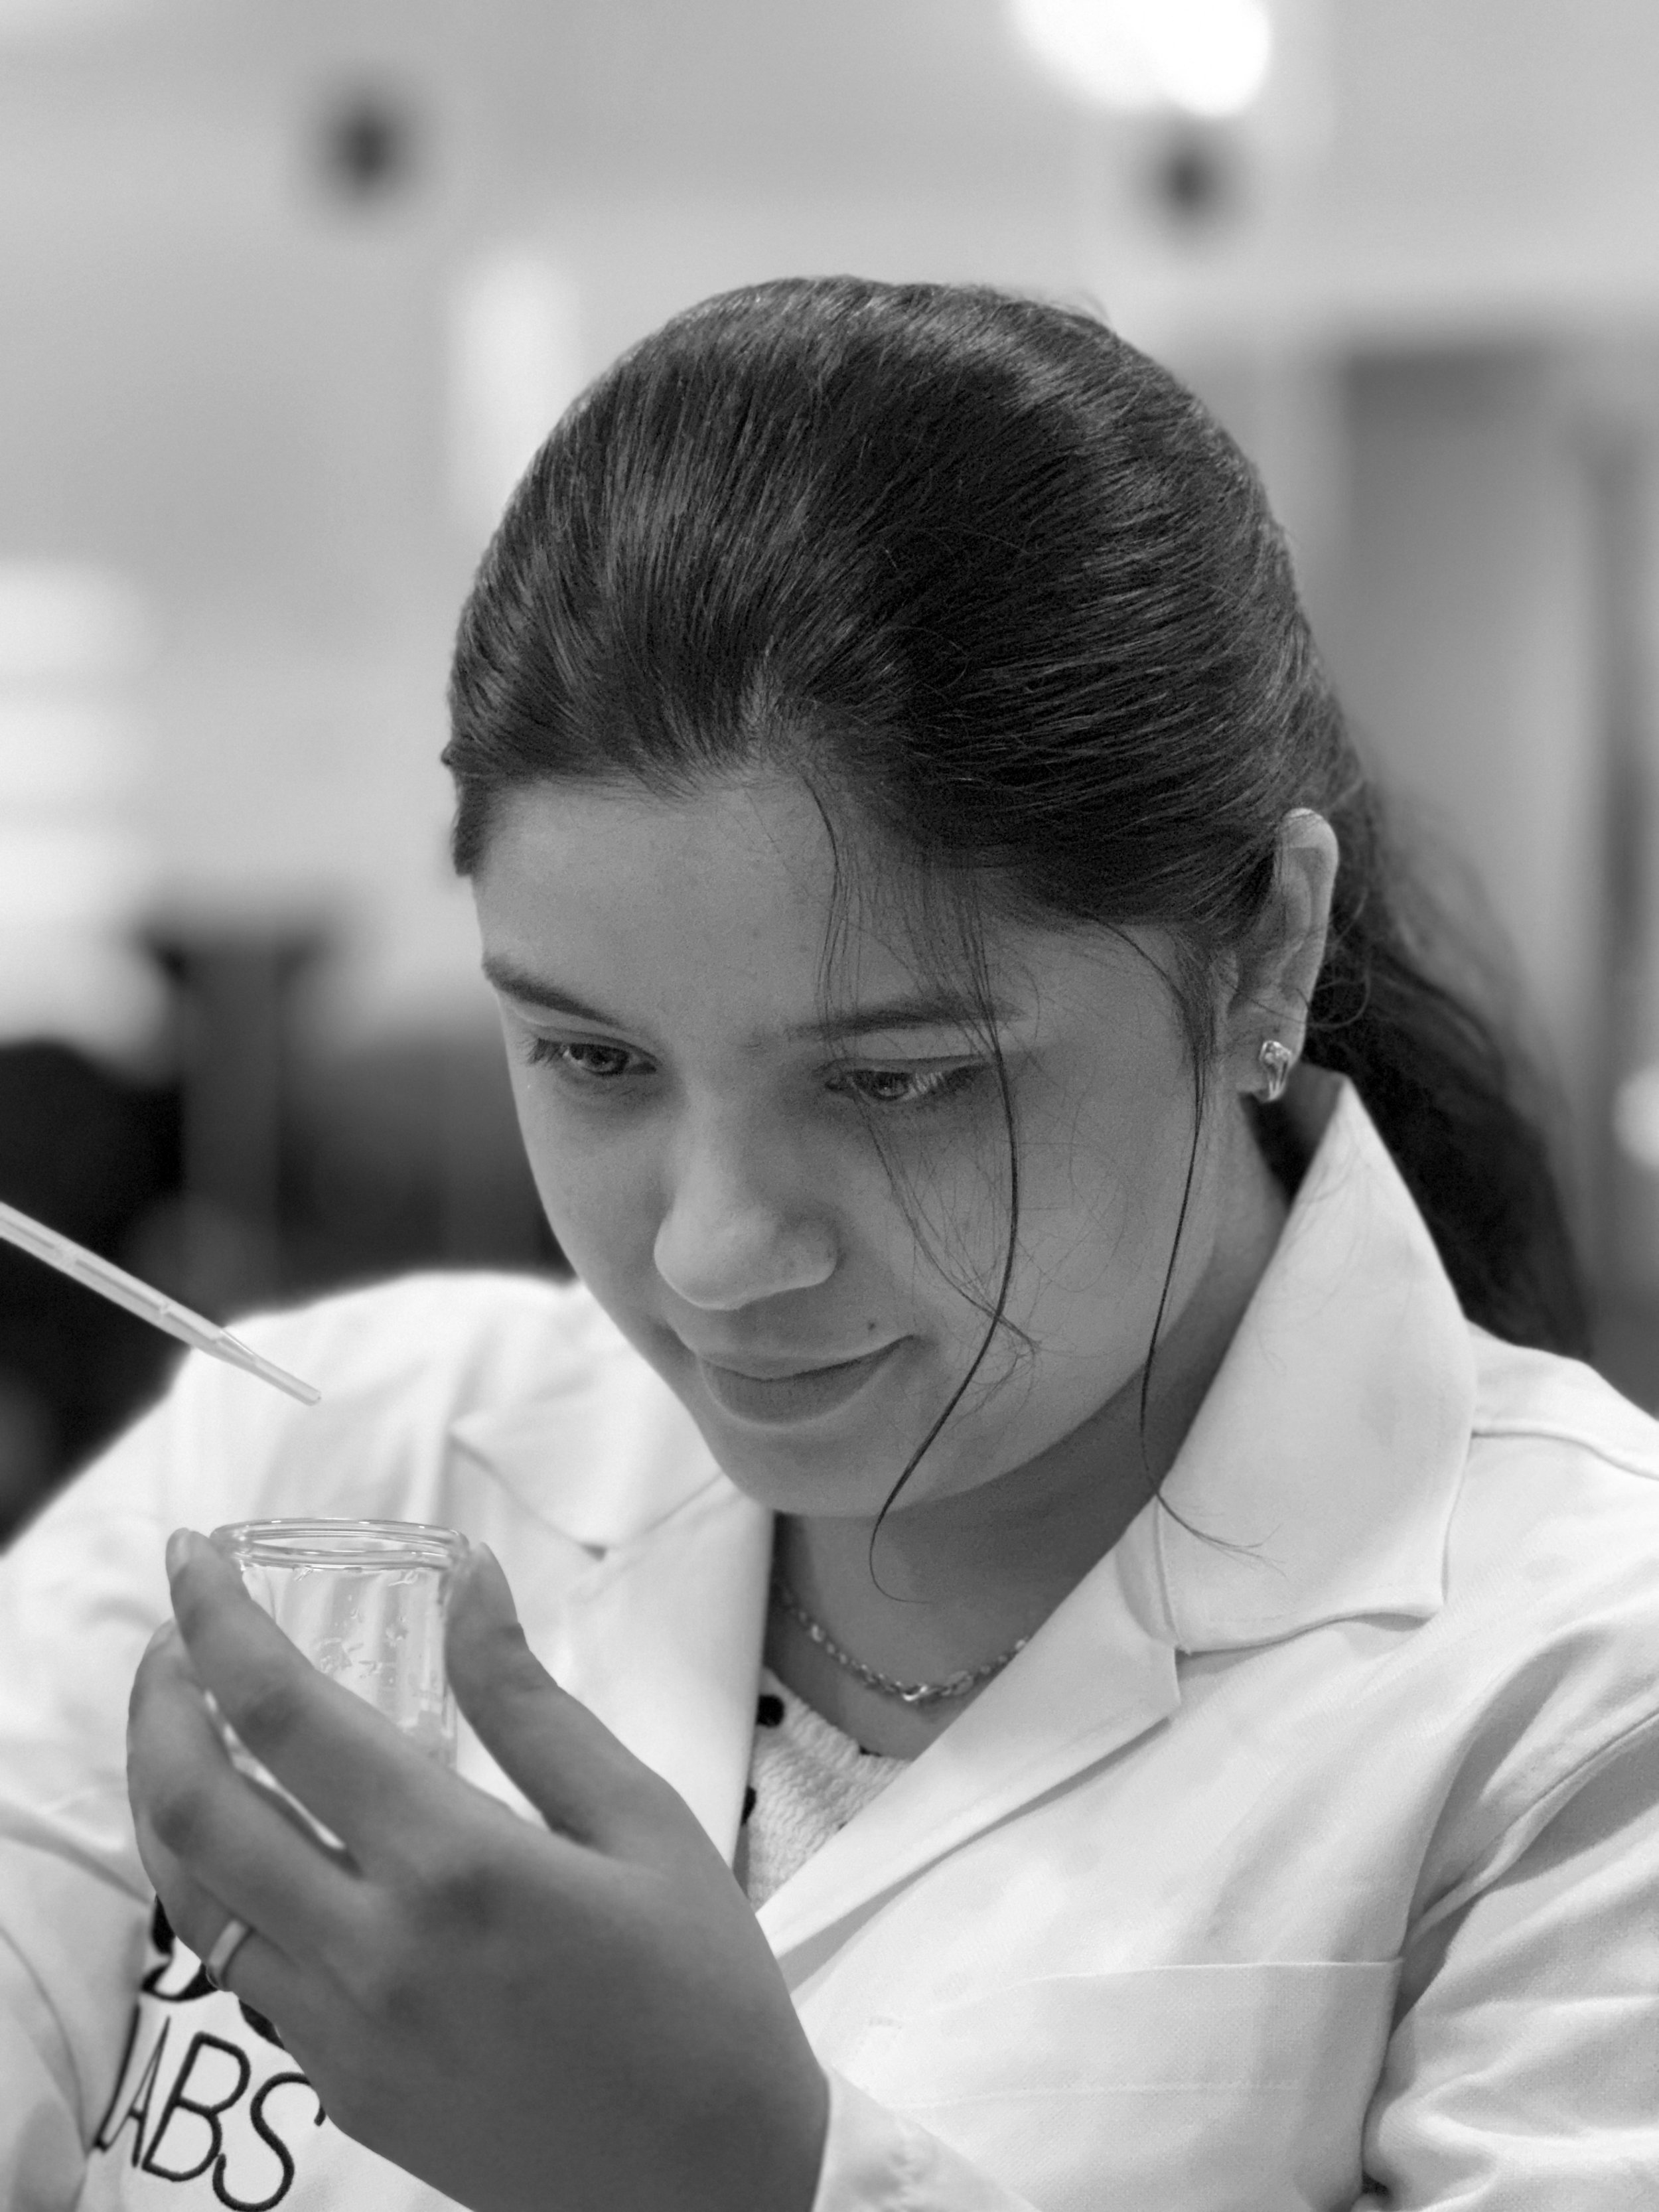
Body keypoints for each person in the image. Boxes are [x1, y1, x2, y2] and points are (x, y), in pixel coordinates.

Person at [3, 276, 1656, 2212]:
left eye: (898, 1085)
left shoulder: (1574, 1678)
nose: (712, 1256)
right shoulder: (334, 1450)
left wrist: (745, 2178)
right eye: (592, 1056)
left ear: (1261, 956)